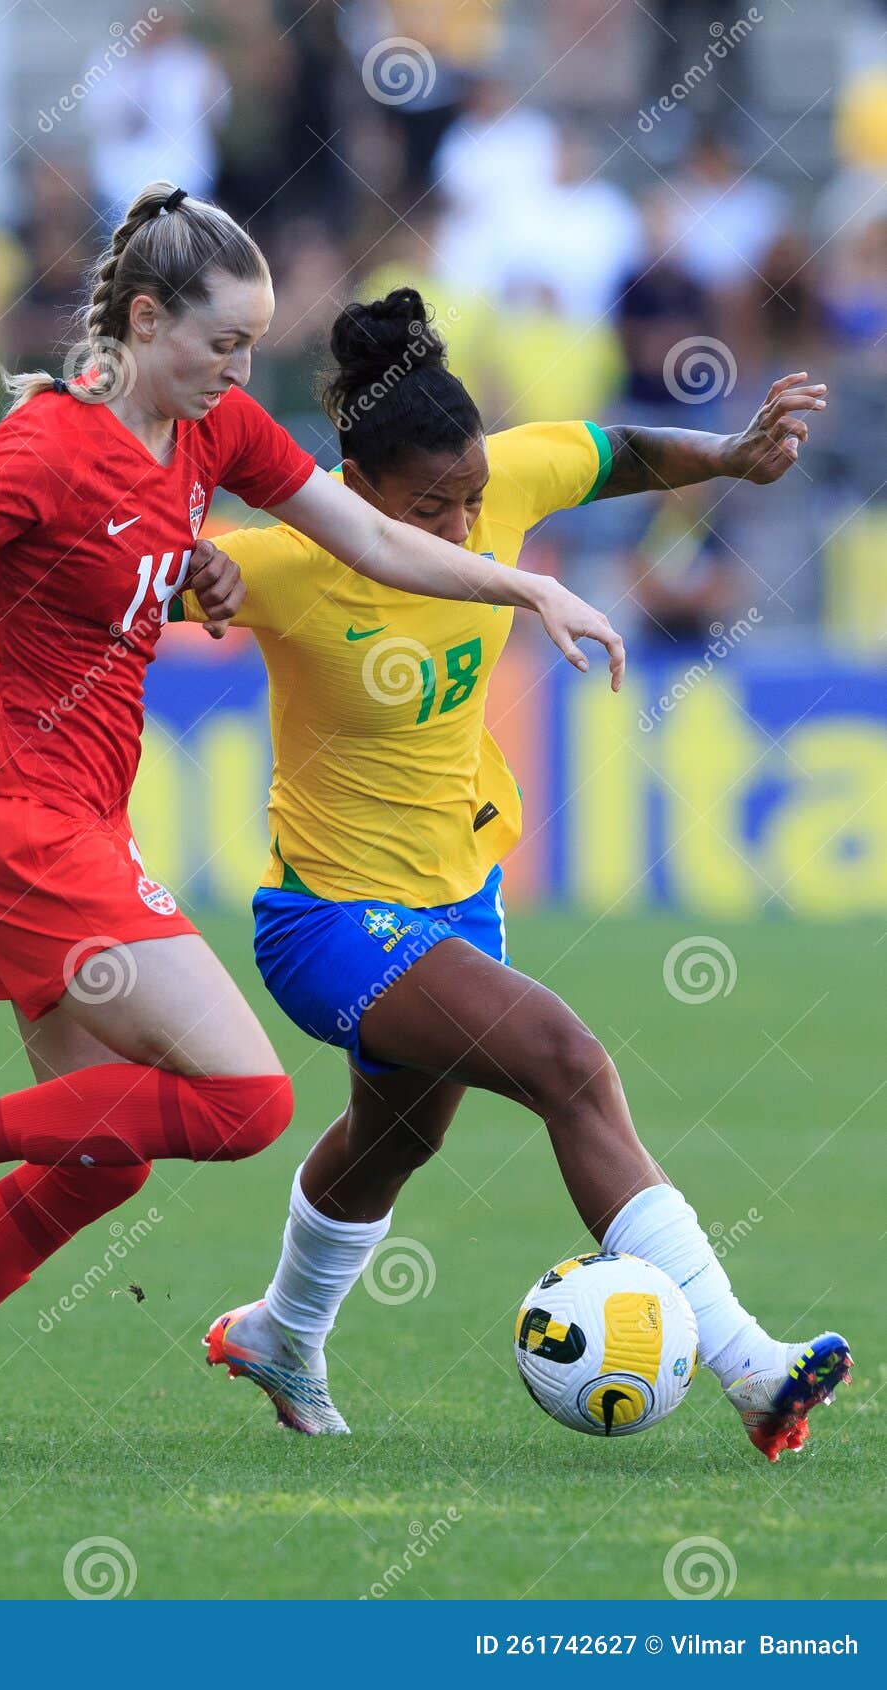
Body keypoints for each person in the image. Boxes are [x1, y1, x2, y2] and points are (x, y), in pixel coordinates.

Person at [0, 191, 621, 1458]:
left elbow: (376, 542)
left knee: (104, 1152)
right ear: (147, 317)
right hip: (17, 824)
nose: (241, 368)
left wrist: (521, 585)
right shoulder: (40, 450)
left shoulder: (210, 430)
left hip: (71, 825)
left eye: (255, 344)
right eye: (224, 342)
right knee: (243, 1100)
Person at [181, 288, 850, 1463]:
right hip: (328, 918)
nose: (460, 523)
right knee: (568, 1065)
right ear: (350, 485)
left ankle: (279, 1331)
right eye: (427, 506)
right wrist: (199, 578)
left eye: (470, 498)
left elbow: (620, 450)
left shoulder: (497, 480)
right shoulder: (286, 563)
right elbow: (160, 573)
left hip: (456, 895)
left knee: (392, 1143)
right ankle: (749, 1366)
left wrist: (733, 458)